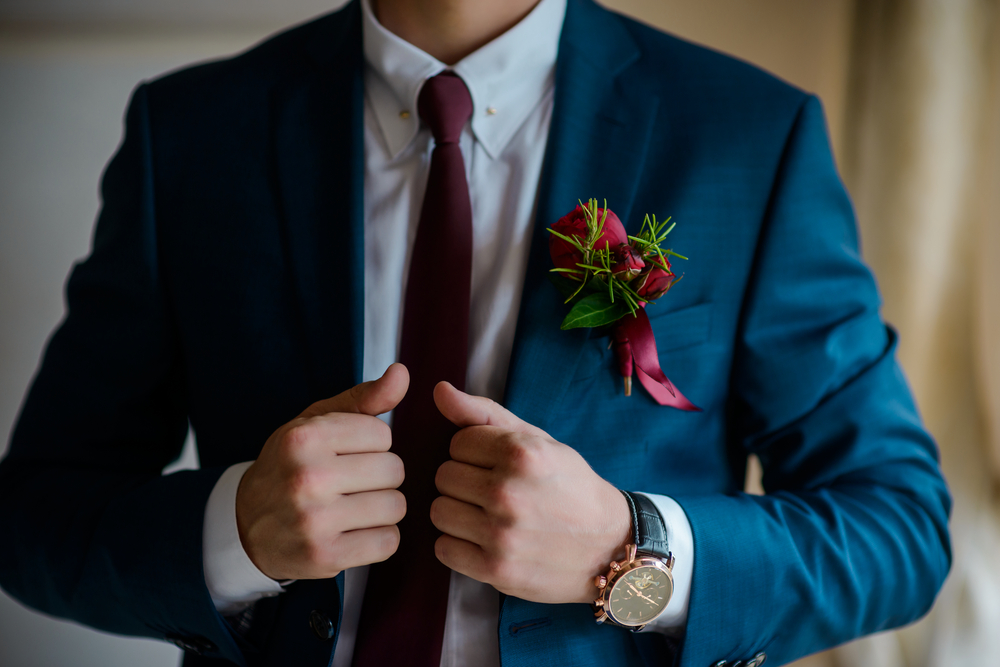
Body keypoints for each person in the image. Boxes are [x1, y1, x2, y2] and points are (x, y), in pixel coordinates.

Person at [0, 0, 951, 665]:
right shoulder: (192, 133)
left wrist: (631, 550)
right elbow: (35, 517)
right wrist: (233, 532)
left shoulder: (747, 134)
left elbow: (898, 527)